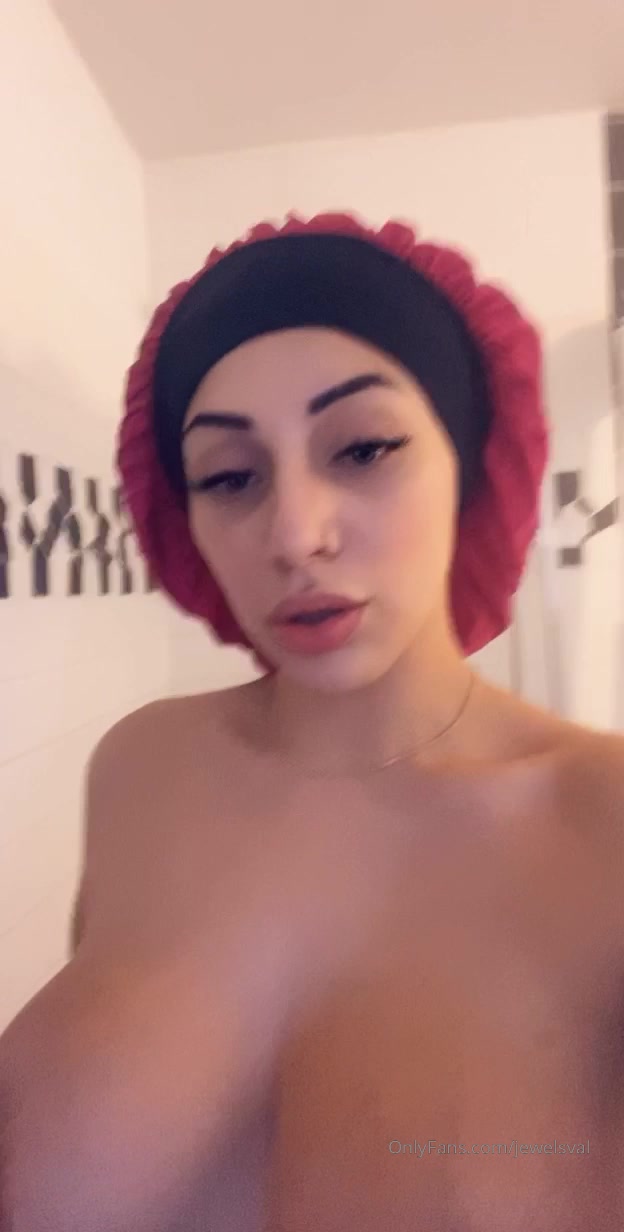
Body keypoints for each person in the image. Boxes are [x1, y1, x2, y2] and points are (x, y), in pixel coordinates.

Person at [1, 213, 623, 1232]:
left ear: (472, 465)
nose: (294, 533)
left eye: (364, 447)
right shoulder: (141, 765)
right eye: (230, 476)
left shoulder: (605, 823)